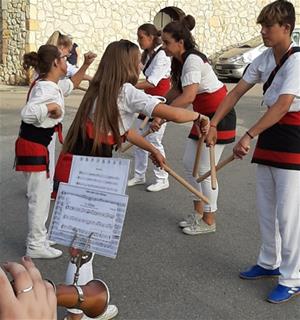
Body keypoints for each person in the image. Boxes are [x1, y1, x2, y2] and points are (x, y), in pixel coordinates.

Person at [52, 39, 209, 320]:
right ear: (126, 64)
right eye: (137, 61)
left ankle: (84, 308)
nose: (140, 65)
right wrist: (199, 115)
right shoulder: (126, 92)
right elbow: (172, 112)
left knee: (81, 245)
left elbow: (123, 131)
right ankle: (78, 313)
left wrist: (151, 150)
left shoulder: (100, 89)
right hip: (94, 176)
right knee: (85, 246)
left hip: (75, 170)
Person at [206, 0, 300, 303]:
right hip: (271, 134)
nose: (263, 32)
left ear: (286, 28)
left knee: (289, 215)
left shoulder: (297, 61)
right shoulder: (264, 58)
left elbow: (284, 104)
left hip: (294, 138)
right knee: (267, 207)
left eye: (268, 26)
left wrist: (249, 134)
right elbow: (235, 92)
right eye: (261, 26)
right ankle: (269, 261)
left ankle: (293, 277)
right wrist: (213, 123)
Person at [15, 44, 96, 259]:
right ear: (55, 63)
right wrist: (52, 108)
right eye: (63, 57)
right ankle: (34, 245)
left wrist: (86, 64)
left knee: (43, 191)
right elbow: (28, 113)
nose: (66, 58)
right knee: (39, 196)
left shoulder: (50, 84)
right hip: (35, 146)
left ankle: (40, 237)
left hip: (41, 144)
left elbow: (71, 85)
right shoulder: (45, 89)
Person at [161, 15, 236, 235]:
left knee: (205, 169)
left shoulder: (192, 60)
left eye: (166, 42)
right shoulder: (180, 61)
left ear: (180, 42)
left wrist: (161, 116)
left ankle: (209, 220)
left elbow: (187, 96)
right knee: (188, 163)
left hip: (218, 117)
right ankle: (199, 212)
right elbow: (176, 91)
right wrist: (156, 106)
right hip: (202, 116)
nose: (163, 47)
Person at [127, 23, 171, 192]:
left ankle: (162, 177)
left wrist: (127, 87)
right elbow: (146, 74)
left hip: (159, 101)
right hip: (146, 99)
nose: (139, 41)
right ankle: (139, 175)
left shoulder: (162, 55)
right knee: (139, 138)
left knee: (154, 139)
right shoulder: (149, 54)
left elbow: (152, 81)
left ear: (151, 37)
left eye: (141, 37)